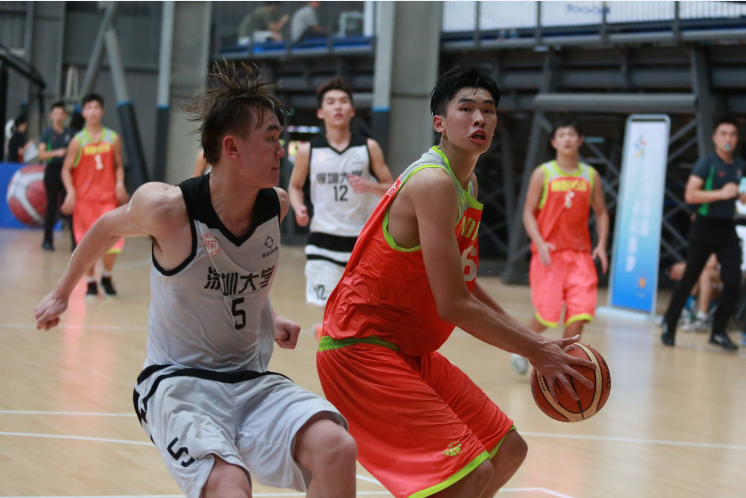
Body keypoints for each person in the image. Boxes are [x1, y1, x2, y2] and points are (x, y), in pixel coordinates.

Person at [35, 62, 356, 498]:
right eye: (271, 139)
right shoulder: (168, 209)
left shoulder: (274, 206)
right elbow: (105, 228)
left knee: (336, 447)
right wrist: (61, 294)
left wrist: (270, 315)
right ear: (232, 147)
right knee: (229, 485)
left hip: (249, 380)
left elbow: (240, 273)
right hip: (177, 382)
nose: (282, 151)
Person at [316, 66, 596, 498]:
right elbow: (452, 304)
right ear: (439, 123)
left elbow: (465, 283)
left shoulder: (467, 182)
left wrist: (534, 340)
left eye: (488, 110)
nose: (479, 118)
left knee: (507, 451)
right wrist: (533, 350)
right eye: (466, 109)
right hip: (360, 347)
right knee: (469, 474)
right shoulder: (433, 182)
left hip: (405, 347)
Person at [289, 77, 393, 337]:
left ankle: (334, 339)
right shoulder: (308, 150)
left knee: (360, 312)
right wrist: (298, 207)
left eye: (343, 101)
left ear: (352, 110)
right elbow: (295, 187)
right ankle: (329, 340)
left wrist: (370, 186)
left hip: (361, 240)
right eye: (331, 102)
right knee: (330, 311)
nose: (338, 106)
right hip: (322, 238)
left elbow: (392, 187)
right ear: (321, 112)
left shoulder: (368, 147)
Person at [512, 119, 609, 375]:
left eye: (571, 134)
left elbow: (601, 212)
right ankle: (522, 348)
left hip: (580, 256)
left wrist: (601, 244)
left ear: (580, 141)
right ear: (554, 142)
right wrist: (539, 242)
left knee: (581, 313)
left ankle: (564, 362)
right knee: (547, 313)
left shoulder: (591, 175)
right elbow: (528, 213)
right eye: (562, 135)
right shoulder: (543, 173)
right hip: (549, 254)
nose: (567, 138)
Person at [661, 117, 746, 350]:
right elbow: (690, 195)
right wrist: (721, 193)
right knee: (690, 276)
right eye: (724, 133)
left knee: (733, 280)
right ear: (715, 138)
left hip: (727, 227)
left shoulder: (739, 165)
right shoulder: (707, 163)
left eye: (732, 134)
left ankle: (718, 332)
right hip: (704, 226)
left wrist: (740, 197)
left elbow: (739, 194)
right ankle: (669, 324)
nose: (728, 138)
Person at [60, 94, 129, 298]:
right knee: (87, 244)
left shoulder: (112, 138)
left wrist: (119, 184)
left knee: (114, 243)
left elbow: (119, 165)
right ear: (83, 113)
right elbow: (66, 170)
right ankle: (90, 282)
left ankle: (106, 277)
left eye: (96, 107)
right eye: (88, 108)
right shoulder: (78, 141)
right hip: (84, 201)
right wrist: (71, 192)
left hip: (108, 199)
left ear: (102, 111)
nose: (92, 111)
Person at [38, 102, 74, 251]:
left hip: (68, 172)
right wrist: (56, 152)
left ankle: (75, 242)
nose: (58, 116)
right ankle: (47, 241)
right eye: (56, 113)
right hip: (52, 171)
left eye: (61, 113)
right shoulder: (47, 133)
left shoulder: (71, 133)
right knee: (51, 207)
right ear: (51, 115)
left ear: (65, 116)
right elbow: (41, 154)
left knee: (70, 206)